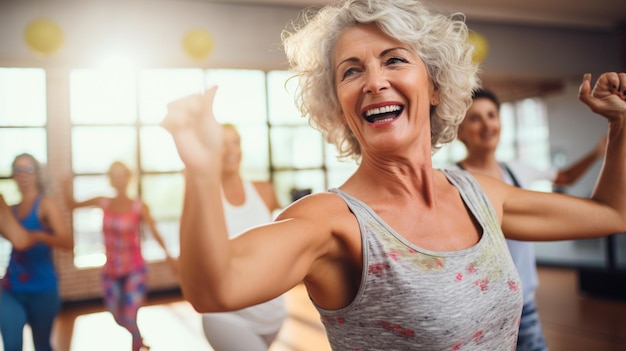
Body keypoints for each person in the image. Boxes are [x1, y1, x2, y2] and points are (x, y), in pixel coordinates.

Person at [162, 0, 626, 349]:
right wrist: (200, 173)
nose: (373, 81)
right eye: (351, 71)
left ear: (436, 87)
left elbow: (611, 212)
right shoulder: (334, 222)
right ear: (340, 107)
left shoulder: (482, 195)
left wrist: (621, 125)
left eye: (394, 59)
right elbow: (214, 288)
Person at [452, 88, 606, 351]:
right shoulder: (451, 179)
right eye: (475, 118)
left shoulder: (517, 168)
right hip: (475, 310)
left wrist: (597, 152)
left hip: (524, 306)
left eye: (492, 115)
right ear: (460, 132)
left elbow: (565, 177)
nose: (487, 124)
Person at [62, 161, 176, 351]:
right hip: (111, 270)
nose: (119, 179)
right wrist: (65, 186)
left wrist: (170, 258)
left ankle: (135, 345)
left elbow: (155, 232)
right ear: (110, 180)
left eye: (122, 174)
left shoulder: (139, 206)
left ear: (129, 178)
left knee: (130, 314)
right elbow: (72, 205)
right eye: (114, 175)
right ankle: (138, 337)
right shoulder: (103, 202)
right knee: (116, 313)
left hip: (135, 269)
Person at [201, 123, 287, 351]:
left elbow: (281, 238)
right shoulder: (205, 199)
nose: (230, 150)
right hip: (227, 316)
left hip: (272, 314)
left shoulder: (264, 190)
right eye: (221, 144)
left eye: (235, 142)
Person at [0, 153, 73, 351]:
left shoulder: (46, 204)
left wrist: (39, 236)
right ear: (13, 175)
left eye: (28, 169)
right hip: (10, 289)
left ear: (36, 174)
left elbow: (68, 242)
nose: (23, 174)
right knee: (12, 346)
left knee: (42, 346)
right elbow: (18, 241)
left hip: (42, 289)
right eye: (18, 170)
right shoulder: (10, 210)